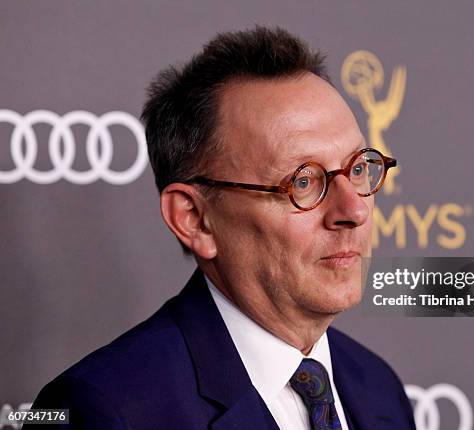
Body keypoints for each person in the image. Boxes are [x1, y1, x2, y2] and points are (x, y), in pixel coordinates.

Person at [26, 26, 416, 430]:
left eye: (356, 169)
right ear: (194, 219)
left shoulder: (377, 387)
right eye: (303, 181)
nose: (354, 209)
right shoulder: (100, 410)